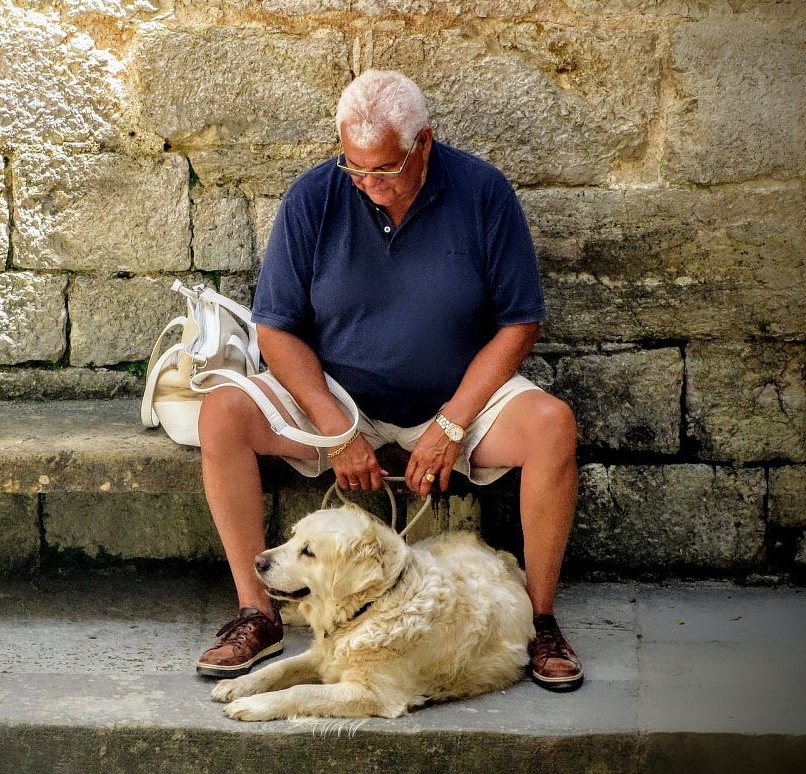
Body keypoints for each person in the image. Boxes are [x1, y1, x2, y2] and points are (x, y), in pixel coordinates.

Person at [194, 70, 583, 693]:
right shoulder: (315, 196)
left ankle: (540, 622)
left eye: (385, 169)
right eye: (355, 167)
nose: (369, 184)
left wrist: (453, 422)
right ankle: (257, 613)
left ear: (423, 142)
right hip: (339, 397)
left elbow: (519, 322)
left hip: (459, 397)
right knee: (221, 414)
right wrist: (335, 426)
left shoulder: (482, 192)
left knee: (552, 426)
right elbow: (276, 329)